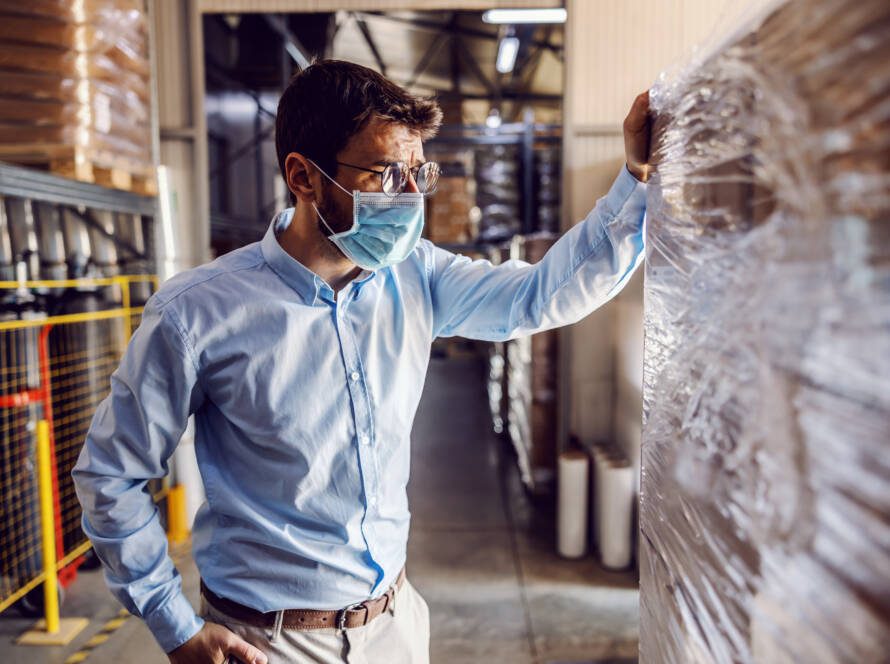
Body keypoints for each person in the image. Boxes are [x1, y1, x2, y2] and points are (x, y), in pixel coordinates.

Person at [73, 60, 652, 664]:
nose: (408, 198)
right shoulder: (199, 313)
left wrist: (635, 180)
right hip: (269, 643)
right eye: (384, 174)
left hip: (395, 625)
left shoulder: (416, 275)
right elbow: (111, 475)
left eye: (416, 173)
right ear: (303, 176)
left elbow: (538, 296)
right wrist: (176, 626)